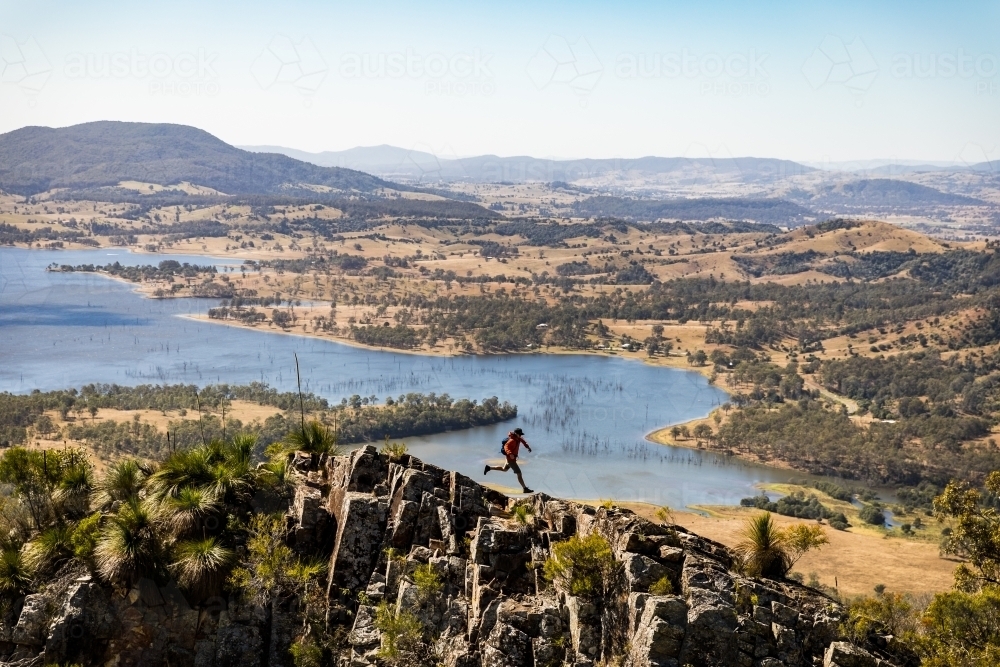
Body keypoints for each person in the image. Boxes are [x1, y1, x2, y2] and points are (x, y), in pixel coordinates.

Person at [484, 427, 533, 493]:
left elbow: (523, 441)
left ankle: (489, 468)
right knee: (519, 473)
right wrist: (510, 454)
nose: (520, 435)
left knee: (504, 469)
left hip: (510, 459)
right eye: (519, 434)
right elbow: (506, 447)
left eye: (521, 434)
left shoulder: (518, 438)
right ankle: (525, 488)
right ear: (516, 434)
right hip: (511, 460)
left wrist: (528, 447)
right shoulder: (512, 440)